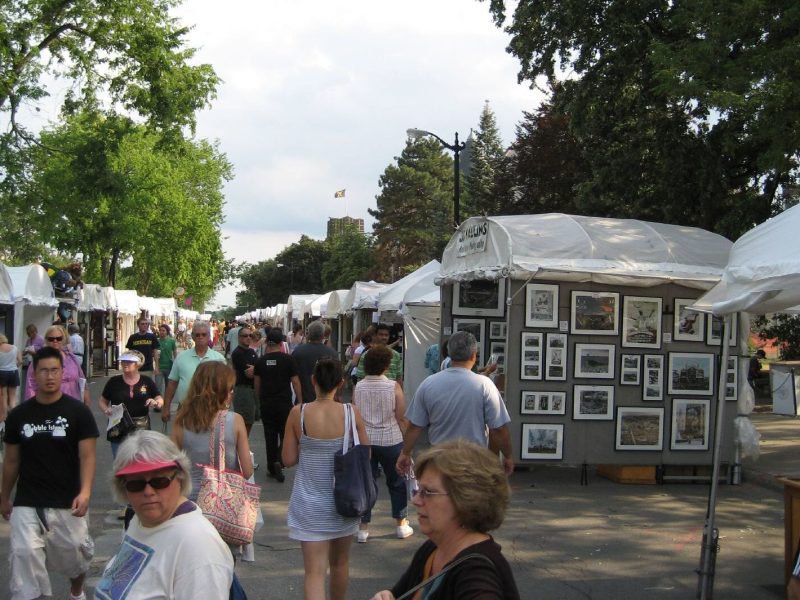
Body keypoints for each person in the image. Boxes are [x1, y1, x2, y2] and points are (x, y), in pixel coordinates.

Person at [2, 346, 99, 600]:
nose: (50, 376)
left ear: (62, 372)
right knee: (24, 553)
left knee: (76, 556)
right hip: (28, 500)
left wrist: (85, 492)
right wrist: (4, 496)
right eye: (44, 371)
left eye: (55, 370)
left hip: (67, 499)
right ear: (34, 374)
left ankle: (76, 591)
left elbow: (87, 456)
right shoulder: (19, 415)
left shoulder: (78, 412)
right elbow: (11, 460)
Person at [372, 440, 520, 600]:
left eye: (428, 492)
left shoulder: (478, 574)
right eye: (418, 490)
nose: (415, 500)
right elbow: (397, 594)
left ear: (465, 499)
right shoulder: (434, 549)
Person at [95, 430, 234, 598]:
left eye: (159, 481)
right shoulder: (140, 519)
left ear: (180, 478)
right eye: (135, 484)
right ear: (123, 488)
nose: (148, 492)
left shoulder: (198, 545)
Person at [283, 358, 369, 600]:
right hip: (344, 502)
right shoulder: (351, 413)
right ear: (340, 383)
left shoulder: (298, 413)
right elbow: (366, 453)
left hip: (309, 505)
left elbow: (288, 459)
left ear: (313, 381)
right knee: (340, 564)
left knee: (314, 572)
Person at [397, 331, 514, 477]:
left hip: (440, 458)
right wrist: (508, 456)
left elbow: (415, 425)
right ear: (474, 355)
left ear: (449, 354)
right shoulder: (485, 385)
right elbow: (499, 428)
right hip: (474, 460)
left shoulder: (428, 384)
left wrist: (405, 452)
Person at [352, 345, 412, 543]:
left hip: (365, 441)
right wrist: (408, 445)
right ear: (386, 365)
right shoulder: (393, 387)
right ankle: (401, 523)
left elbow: (355, 415)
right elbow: (401, 417)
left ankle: (363, 527)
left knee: (366, 482)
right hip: (390, 439)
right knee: (396, 481)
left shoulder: (359, 387)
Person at [171, 361, 253, 506]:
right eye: (230, 388)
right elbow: (247, 471)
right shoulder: (235, 420)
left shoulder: (181, 422)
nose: (232, 392)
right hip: (226, 503)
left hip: (190, 501)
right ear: (222, 390)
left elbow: (172, 468)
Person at [254, 328, 302, 482]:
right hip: (284, 403)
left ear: (267, 343)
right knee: (285, 433)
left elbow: (257, 384)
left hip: (267, 403)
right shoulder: (288, 360)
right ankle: (280, 461)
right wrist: (300, 400)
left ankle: (271, 465)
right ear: (281, 343)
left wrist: (259, 399)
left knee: (270, 435)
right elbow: (295, 381)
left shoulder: (260, 361)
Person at [99, 350, 163, 457]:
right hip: (118, 426)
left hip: (141, 426)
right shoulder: (113, 381)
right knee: (120, 461)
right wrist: (106, 409)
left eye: (129, 361)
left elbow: (159, 399)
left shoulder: (146, 381)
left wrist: (156, 403)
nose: (125, 364)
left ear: (138, 364)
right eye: (123, 361)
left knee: (140, 461)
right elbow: (102, 401)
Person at [161, 321, 226, 425]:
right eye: (197, 335)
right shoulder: (181, 357)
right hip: (185, 410)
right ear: (193, 337)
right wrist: (166, 407)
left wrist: (224, 409)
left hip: (211, 411)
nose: (200, 337)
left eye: (204, 334)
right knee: (182, 436)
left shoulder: (219, 358)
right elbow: (172, 384)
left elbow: (225, 387)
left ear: (209, 336)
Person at [25, 324, 91, 405]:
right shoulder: (39, 360)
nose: (55, 341)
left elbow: (82, 380)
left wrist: (86, 399)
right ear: (46, 340)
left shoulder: (72, 358)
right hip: (49, 405)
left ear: (63, 340)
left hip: (74, 404)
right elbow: (31, 386)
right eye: (51, 339)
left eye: (59, 338)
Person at [292, 320, 338, 403]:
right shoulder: (332, 353)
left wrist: (299, 401)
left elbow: (294, 379)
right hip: (326, 401)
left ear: (308, 334)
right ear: (323, 335)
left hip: (304, 399)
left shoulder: (297, 352)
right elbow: (337, 378)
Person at [231, 325, 258, 436]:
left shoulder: (252, 351)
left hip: (252, 390)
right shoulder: (237, 353)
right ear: (239, 338)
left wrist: (256, 368)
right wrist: (257, 369)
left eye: (250, 335)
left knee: (250, 420)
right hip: (243, 390)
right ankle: (242, 443)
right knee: (244, 421)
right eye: (245, 336)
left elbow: (257, 370)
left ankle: (243, 442)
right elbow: (249, 374)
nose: (248, 338)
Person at [0, 333, 22, 426]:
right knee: (13, 397)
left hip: (2, 373)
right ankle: (14, 417)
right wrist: (14, 366)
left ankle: (4, 419)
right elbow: (20, 361)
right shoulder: (14, 348)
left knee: (4, 397)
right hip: (13, 372)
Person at [156, 323, 177, 394]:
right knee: (158, 387)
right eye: (160, 330)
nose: (161, 332)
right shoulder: (157, 341)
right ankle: (159, 400)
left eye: (163, 330)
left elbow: (174, 352)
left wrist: (176, 363)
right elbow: (154, 354)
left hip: (169, 367)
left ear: (167, 332)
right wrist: (156, 367)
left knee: (168, 387)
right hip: (159, 367)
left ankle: (167, 400)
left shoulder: (171, 341)